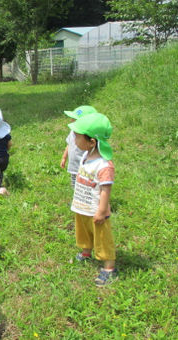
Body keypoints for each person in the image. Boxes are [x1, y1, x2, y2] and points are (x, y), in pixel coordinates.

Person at [68, 113, 118, 287]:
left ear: (92, 142)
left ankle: (109, 268)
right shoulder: (86, 155)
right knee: (84, 232)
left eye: (77, 136)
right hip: (82, 206)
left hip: (96, 209)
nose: (74, 139)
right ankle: (86, 251)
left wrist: (102, 210)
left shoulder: (104, 165)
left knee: (102, 237)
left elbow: (105, 190)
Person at [60, 106, 98, 187]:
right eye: (72, 119)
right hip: (74, 167)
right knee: (75, 187)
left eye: (75, 120)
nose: (71, 121)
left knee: (86, 187)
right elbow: (69, 144)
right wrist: (64, 157)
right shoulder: (72, 132)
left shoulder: (87, 139)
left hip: (86, 171)